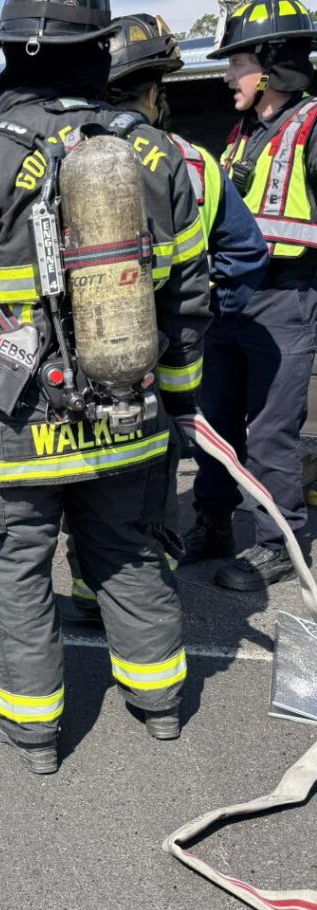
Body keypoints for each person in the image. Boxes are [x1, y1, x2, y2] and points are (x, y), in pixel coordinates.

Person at [0, 0, 212, 773]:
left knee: (17, 572)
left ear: (9, 58)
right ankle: (161, 704)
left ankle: (36, 735)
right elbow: (188, 300)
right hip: (127, 414)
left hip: (17, 429)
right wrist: (177, 408)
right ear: (97, 55)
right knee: (130, 555)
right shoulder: (156, 156)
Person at [64, 12, 270, 622]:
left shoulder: (61, 155)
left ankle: (88, 597)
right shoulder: (193, 163)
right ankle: (148, 611)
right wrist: (202, 317)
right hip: (163, 361)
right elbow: (246, 253)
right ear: (155, 91)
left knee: (87, 481)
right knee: (149, 485)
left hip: (76, 365)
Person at [180, 1, 317, 590]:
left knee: (270, 431)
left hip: (287, 302)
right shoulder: (245, 134)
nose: (227, 76)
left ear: (272, 67)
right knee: (215, 422)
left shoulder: (312, 129)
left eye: (237, 63)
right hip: (232, 303)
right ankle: (212, 525)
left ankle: (277, 540)